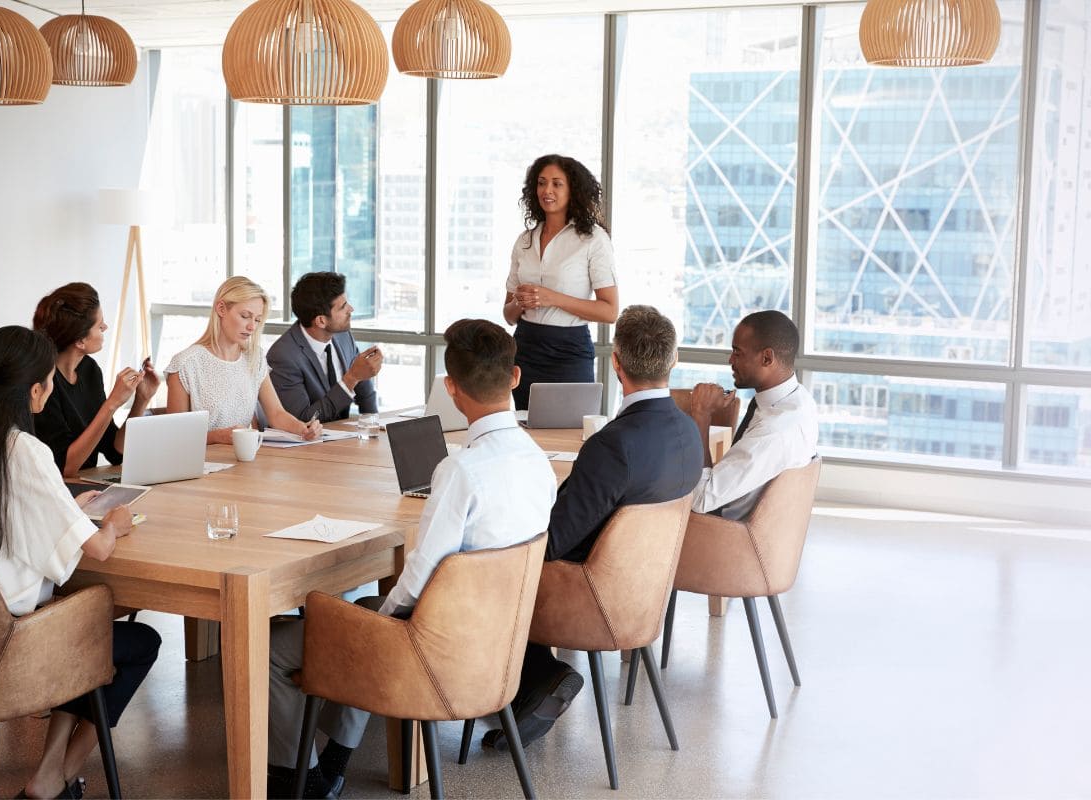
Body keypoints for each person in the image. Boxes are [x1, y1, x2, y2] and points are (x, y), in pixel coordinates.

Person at [266, 319, 558, 799]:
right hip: (498, 644)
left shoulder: (461, 469)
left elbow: (420, 576)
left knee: (281, 642)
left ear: (450, 388)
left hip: (434, 652)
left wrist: (377, 621)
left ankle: (297, 781)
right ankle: (331, 767)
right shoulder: (538, 463)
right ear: (515, 377)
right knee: (368, 615)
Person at [0, 326, 161, 800]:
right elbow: (96, 551)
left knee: (83, 627)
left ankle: (50, 777)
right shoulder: (27, 451)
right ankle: (59, 774)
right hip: (10, 646)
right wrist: (113, 523)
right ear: (36, 389)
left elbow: (4, 517)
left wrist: (65, 511)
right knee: (135, 640)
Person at [482, 305, 702, 751]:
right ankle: (535, 678)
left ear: (615, 362)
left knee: (486, 563)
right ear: (673, 360)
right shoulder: (687, 431)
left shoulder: (613, 444)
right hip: (641, 591)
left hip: (587, 593)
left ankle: (540, 676)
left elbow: (555, 540)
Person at [503, 154, 619, 409]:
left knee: (571, 433)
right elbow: (509, 315)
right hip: (525, 350)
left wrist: (551, 297)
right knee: (528, 430)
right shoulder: (525, 240)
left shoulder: (593, 239)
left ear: (573, 190)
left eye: (557, 183)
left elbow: (610, 311)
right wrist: (521, 302)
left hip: (569, 352)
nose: (547, 190)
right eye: (542, 183)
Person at [684, 310, 819, 520]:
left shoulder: (772, 431)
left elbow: (701, 499)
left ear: (767, 358)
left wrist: (701, 414)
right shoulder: (801, 400)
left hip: (719, 531)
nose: (730, 360)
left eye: (738, 353)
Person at [165, 276, 322, 444]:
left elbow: (276, 414)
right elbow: (175, 436)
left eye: (257, 320)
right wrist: (216, 437)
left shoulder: (254, 359)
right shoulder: (185, 364)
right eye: (245, 316)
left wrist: (304, 429)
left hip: (244, 460)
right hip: (202, 464)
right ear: (221, 309)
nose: (252, 327)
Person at [32, 282, 160, 478]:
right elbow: (65, 467)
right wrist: (111, 404)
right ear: (80, 341)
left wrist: (141, 400)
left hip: (86, 485)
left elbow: (115, 451)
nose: (105, 327)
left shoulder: (89, 369)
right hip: (59, 490)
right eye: (99, 325)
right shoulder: (43, 385)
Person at [267, 272, 381, 422]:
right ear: (321, 321)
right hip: (308, 443)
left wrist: (375, 426)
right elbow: (303, 420)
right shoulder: (283, 356)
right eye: (343, 307)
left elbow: (363, 388)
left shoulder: (342, 335)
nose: (351, 309)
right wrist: (351, 378)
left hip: (345, 439)